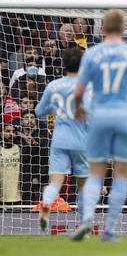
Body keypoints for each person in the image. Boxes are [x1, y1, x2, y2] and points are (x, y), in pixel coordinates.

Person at [70, 10, 127, 242]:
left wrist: (78, 109)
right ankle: (110, 229)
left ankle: (86, 221)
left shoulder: (92, 53)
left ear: (102, 28)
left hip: (99, 116)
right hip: (124, 117)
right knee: (121, 174)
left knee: (95, 173)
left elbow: (79, 90)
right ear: (124, 27)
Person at [35, 48, 88, 232]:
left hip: (59, 139)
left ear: (64, 65)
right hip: (81, 141)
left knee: (55, 182)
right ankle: (82, 227)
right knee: (83, 185)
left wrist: (56, 109)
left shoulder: (53, 86)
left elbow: (39, 112)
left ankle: (46, 205)